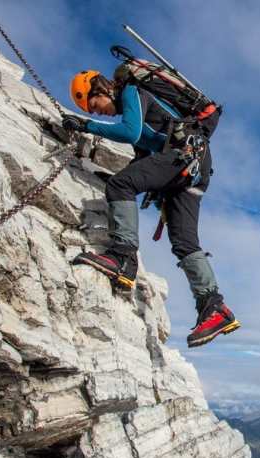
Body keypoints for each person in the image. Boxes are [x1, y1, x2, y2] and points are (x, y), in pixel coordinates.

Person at [62, 69, 239, 348]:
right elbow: (142, 160)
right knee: (184, 242)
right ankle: (214, 307)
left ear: (101, 90)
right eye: (93, 113)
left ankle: (122, 257)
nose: (100, 114)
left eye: (95, 107)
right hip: (195, 168)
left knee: (120, 186)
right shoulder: (142, 116)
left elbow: (129, 132)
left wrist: (85, 126)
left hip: (184, 157)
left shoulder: (131, 92)